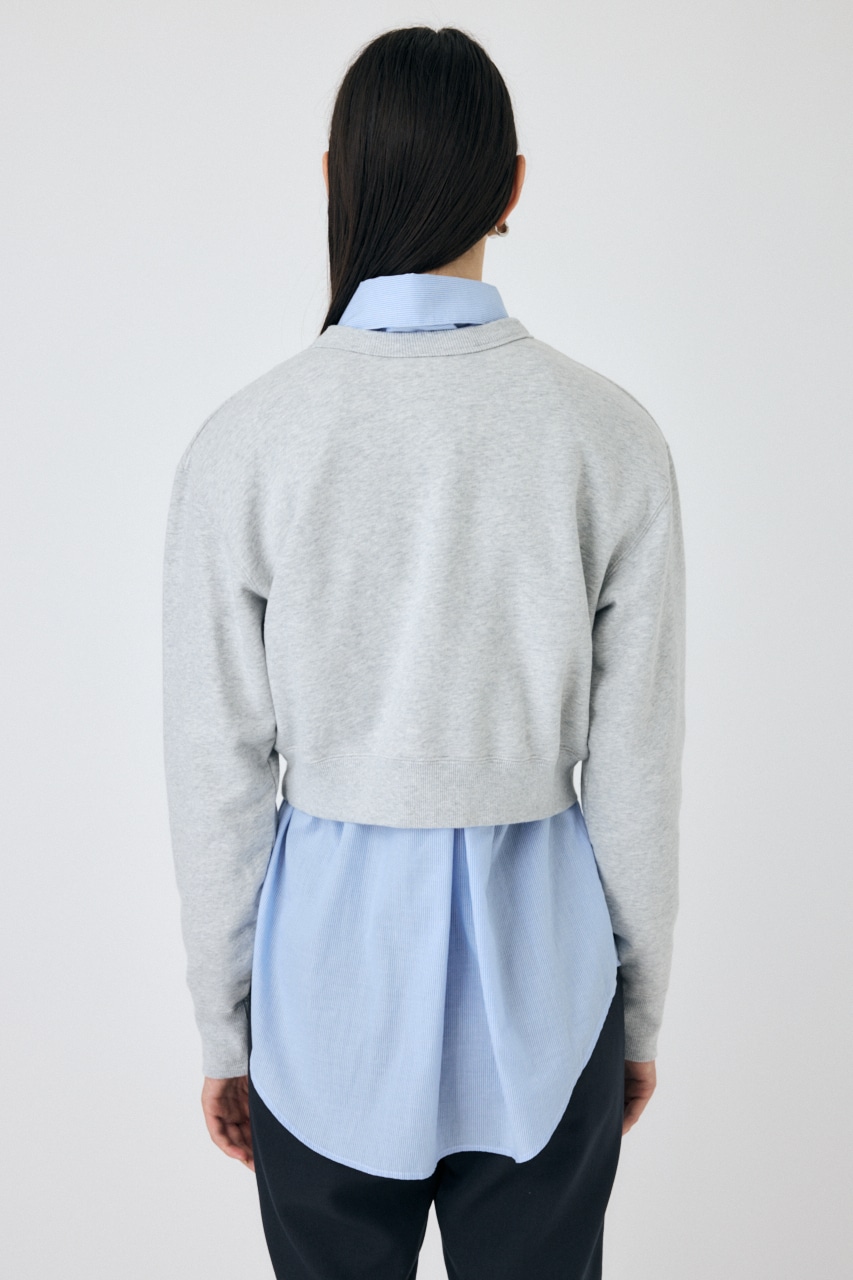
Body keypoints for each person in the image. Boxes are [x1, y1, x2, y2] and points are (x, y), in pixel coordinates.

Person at [162, 24, 686, 1280]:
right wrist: (635, 1009)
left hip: (317, 998)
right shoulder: (608, 436)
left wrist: (224, 1027)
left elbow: (215, 770)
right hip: (549, 992)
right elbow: (637, 769)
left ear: (332, 179)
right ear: (512, 186)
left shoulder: (246, 442)